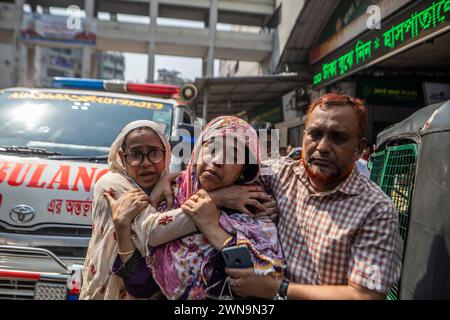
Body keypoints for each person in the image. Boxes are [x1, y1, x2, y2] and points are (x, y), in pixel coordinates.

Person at [154, 94, 403, 299]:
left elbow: (365, 296)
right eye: (315, 134)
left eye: (338, 137)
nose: (323, 147)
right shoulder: (281, 174)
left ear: (360, 148)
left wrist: (277, 288)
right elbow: (220, 170)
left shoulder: (375, 209)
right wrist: (169, 179)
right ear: (303, 137)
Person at [109, 116, 284, 299]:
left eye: (233, 156)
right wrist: (122, 230)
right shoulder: (168, 199)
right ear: (197, 152)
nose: (217, 161)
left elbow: (265, 284)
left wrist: (215, 231)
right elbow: (141, 286)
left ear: (243, 171)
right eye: (212, 149)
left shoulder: (255, 210)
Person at [79, 120, 181, 299]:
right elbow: (155, 231)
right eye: (135, 154)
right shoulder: (111, 183)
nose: (146, 163)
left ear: (166, 154)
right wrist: (210, 206)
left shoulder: (174, 188)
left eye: (154, 153)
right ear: (122, 156)